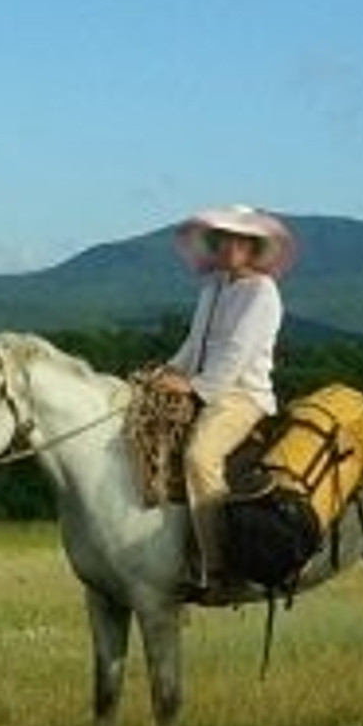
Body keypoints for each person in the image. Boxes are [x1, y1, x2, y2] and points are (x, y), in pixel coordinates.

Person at [151, 204, 295, 601]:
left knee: (199, 458)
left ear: (252, 246)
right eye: (223, 239)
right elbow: (194, 344)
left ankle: (219, 571)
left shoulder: (263, 293)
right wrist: (164, 373)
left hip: (242, 395)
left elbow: (236, 353)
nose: (229, 246)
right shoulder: (213, 289)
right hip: (205, 384)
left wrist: (195, 389)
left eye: (238, 239)